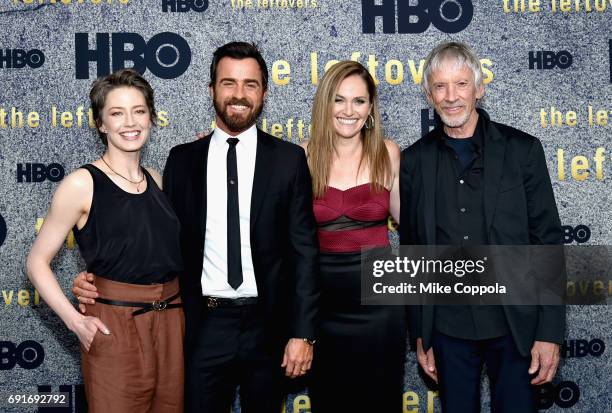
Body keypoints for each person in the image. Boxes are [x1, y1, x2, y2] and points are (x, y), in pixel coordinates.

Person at [72, 41, 320, 413]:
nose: (239, 94)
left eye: (250, 84)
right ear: (211, 90)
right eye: (228, 83)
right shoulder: (182, 161)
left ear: (264, 93)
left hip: (269, 327)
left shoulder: (289, 160)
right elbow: (156, 241)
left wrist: (303, 333)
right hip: (201, 326)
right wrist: (97, 278)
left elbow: (304, 251)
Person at [399, 41, 565, 412]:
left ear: (479, 88)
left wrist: (549, 332)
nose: (451, 96)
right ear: (429, 94)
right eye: (440, 87)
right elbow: (412, 250)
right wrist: (420, 335)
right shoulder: (414, 161)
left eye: (461, 84)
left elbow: (547, 243)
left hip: (516, 326)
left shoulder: (523, 151)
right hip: (447, 328)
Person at [27, 69, 185, 412]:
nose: (130, 122)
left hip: (172, 323)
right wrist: (75, 321)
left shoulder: (157, 179)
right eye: (117, 113)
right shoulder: (82, 184)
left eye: (139, 110)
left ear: (151, 117)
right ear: (101, 123)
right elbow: (36, 262)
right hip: (116, 325)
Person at [301, 60, 406, 412]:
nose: (349, 111)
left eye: (359, 101)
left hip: (380, 305)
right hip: (322, 304)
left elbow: (411, 224)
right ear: (325, 104)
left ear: (371, 107)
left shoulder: (388, 153)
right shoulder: (302, 156)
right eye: (339, 100)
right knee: (328, 401)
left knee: (380, 401)